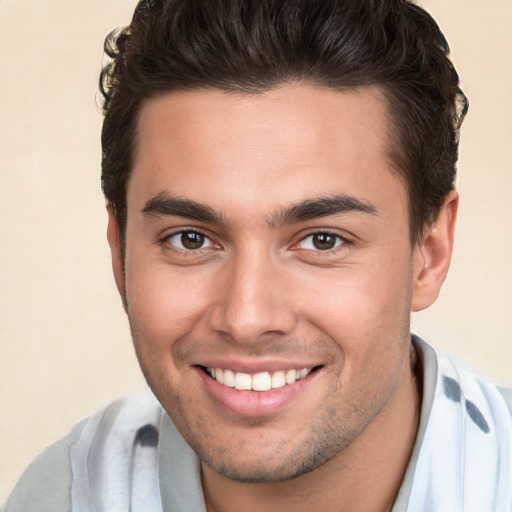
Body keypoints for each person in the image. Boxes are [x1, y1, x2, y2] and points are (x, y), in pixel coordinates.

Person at [5, 0, 512, 510]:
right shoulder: (65, 494)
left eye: (322, 240)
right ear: (120, 255)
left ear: (429, 252)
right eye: (191, 239)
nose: (246, 318)